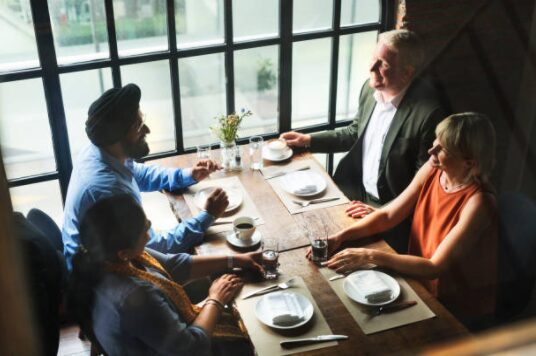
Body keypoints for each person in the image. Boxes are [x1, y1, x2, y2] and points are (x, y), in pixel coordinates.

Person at [317, 113, 498, 327]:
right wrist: (339, 237)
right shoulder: (433, 168)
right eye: (435, 142)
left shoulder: (480, 203)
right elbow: (388, 215)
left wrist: (370, 255)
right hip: (417, 276)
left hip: (456, 301)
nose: (432, 151)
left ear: (469, 162)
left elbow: (434, 267)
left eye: (443, 149)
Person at [281, 30, 447, 252]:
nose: (371, 68)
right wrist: (308, 140)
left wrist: (382, 214)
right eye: (373, 59)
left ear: (407, 73)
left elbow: (424, 186)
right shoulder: (370, 91)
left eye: (383, 64)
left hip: (391, 216)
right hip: (354, 193)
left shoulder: (429, 115)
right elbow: (354, 132)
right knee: (299, 229)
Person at [67, 194, 260, 355]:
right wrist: (215, 299)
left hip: (163, 339)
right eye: (144, 230)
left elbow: (174, 265)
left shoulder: (108, 258)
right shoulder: (133, 297)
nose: (149, 233)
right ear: (123, 252)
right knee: (256, 344)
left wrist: (235, 260)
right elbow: (191, 349)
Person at [62, 83, 225, 270]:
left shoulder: (103, 150)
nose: (147, 129)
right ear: (118, 136)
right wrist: (207, 216)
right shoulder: (109, 192)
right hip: (105, 284)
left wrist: (188, 175)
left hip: (121, 263)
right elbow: (152, 249)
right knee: (222, 265)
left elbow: (140, 174)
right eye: (138, 126)